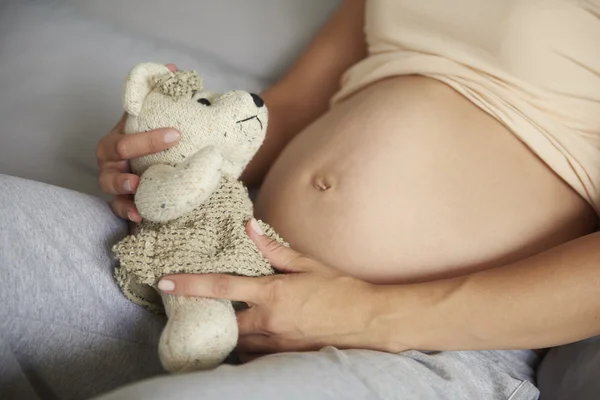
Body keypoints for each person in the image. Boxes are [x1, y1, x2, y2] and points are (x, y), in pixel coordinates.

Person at [1, 0, 599, 399]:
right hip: (209, 266)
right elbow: (285, 112)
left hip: (431, 344)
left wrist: (364, 312)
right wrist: (165, 150)